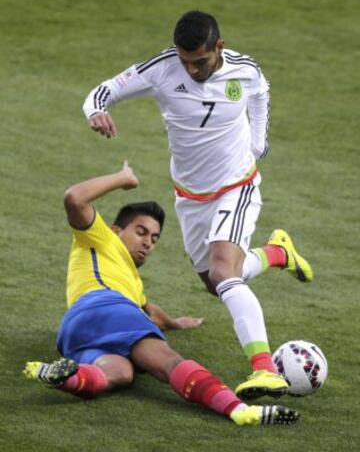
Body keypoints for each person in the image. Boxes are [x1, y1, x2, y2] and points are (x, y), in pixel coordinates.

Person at [82, 10, 313, 400]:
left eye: (200, 62)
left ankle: (265, 370)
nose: (190, 70)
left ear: (218, 48)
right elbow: (104, 90)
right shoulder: (162, 68)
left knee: (225, 272)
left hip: (235, 185)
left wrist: (259, 141)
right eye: (184, 61)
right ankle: (277, 253)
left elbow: (261, 92)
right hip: (190, 197)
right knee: (215, 283)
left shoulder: (244, 70)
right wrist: (96, 111)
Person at [23, 161, 299, 426]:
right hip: (108, 306)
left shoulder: (130, 280)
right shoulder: (100, 237)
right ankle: (238, 409)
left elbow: (147, 311)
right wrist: (123, 178)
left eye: (154, 239)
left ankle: (65, 377)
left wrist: (176, 322)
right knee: (168, 363)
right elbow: (74, 199)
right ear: (116, 230)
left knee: (120, 373)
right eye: (141, 232)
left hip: (75, 330)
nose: (147, 242)